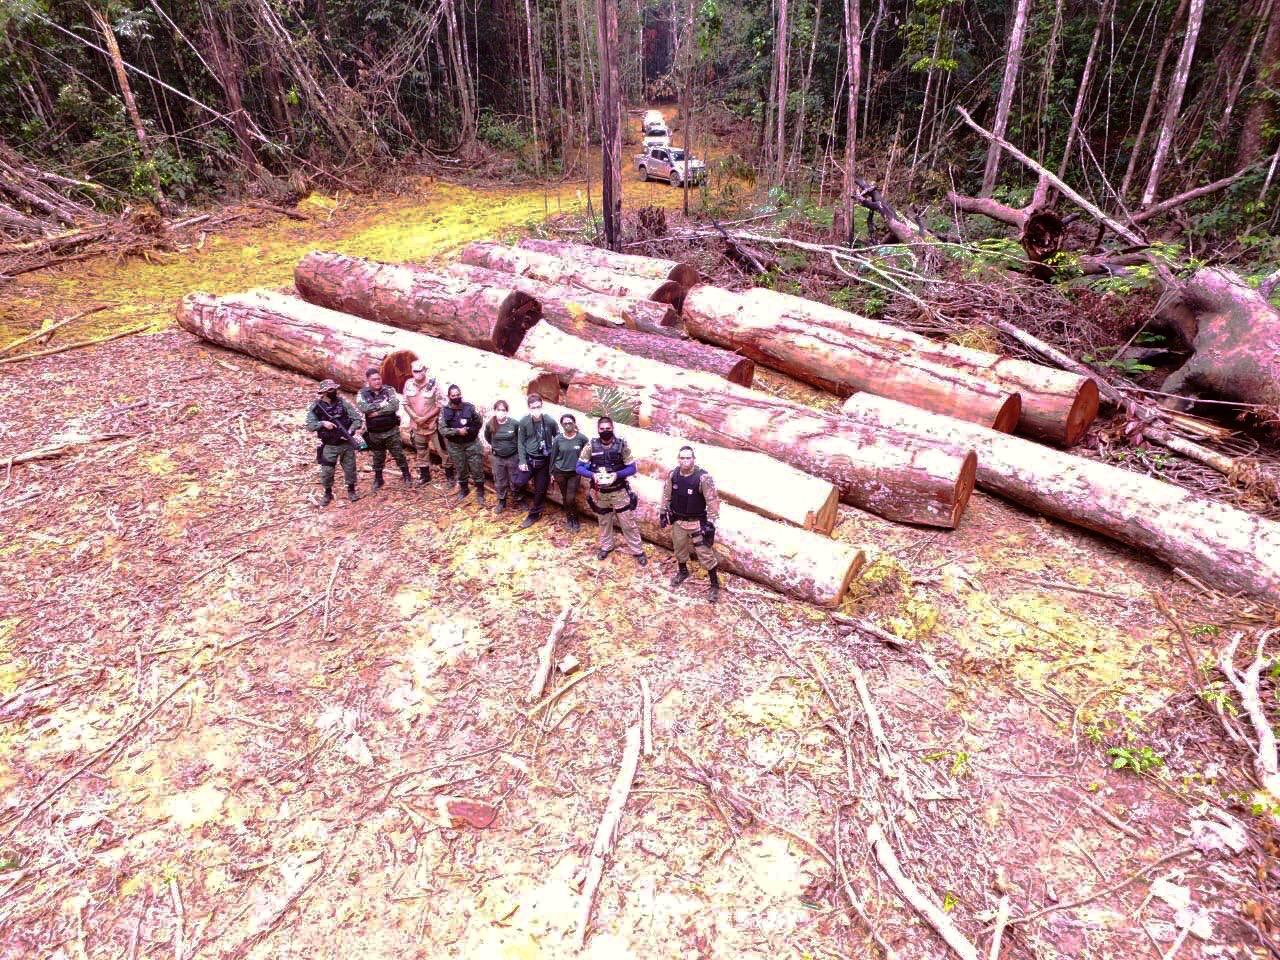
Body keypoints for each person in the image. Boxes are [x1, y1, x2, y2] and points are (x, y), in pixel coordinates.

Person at [576, 416, 646, 565]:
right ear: (598, 430)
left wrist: (617, 475)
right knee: (604, 521)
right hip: (600, 493)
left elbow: (632, 468)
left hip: (619, 491)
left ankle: (638, 550)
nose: (605, 431)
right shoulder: (591, 445)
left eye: (608, 429)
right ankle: (607, 546)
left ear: (612, 428)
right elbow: (579, 467)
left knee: (628, 523)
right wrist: (592, 475)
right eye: (602, 429)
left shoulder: (621, 445)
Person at [660, 445, 722, 603]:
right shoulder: (673, 474)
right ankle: (683, 572)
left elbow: (713, 501)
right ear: (678, 459)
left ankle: (714, 585)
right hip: (679, 521)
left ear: (693, 459)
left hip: (697, 523)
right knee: (679, 548)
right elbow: (666, 494)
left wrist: (711, 522)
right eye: (682, 458)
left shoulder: (703, 478)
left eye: (688, 458)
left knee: (705, 555)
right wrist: (662, 512)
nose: (685, 461)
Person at [305, 378, 364, 506]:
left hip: (346, 443)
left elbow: (357, 419)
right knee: (327, 471)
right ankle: (327, 492)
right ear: (324, 392)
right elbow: (309, 425)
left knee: (350, 468)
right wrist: (323, 423)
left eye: (335, 389)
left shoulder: (343, 403)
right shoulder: (316, 407)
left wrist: (350, 430)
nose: (334, 391)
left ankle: (351, 490)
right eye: (331, 389)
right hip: (329, 444)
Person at [357, 367, 411, 491]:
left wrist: (375, 412)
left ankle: (406, 475)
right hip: (375, 433)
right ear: (368, 381)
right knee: (378, 457)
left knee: (399, 454)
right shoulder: (362, 393)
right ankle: (378, 478)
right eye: (374, 380)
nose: (377, 381)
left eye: (378, 379)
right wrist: (382, 405)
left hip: (391, 431)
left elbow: (394, 406)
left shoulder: (389, 390)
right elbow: (364, 408)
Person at [401, 360, 449, 486]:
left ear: (425, 371)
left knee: (443, 451)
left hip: (433, 425)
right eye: (415, 371)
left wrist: (425, 418)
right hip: (417, 426)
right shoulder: (409, 384)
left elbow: (440, 405)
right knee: (421, 451)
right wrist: (415, 417)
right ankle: (425, 476)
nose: (417, 373)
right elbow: (405, 403)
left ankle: (450, 476)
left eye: (420, 370)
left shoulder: (434, 385)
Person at [515, 394, 559, 529]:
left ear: (542, 406)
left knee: (540, 490)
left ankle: (534, 514)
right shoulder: (524, 422)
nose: (536, 409)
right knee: (518, 481)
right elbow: (521, 442)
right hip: (529, 459)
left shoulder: (550, 421)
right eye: (533, 407)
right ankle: (520, 498)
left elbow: (557, 440)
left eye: (538, 407)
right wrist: (522, 460)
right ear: (529, 408)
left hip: (544, 461)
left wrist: (555, 462)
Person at [439, 384, 485, 504]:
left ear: (461, 395)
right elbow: (442, 430)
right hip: (455, 445)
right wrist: (457, 431)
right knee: (461, 469)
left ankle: (480, 491)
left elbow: (479, 422)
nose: (456, 397)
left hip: (472, 444)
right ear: (449, 396)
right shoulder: (445, 411)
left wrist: (471, 430)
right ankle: (464, 490)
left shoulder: (469, 407)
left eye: (458, 395)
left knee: (477, 468)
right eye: (453, 395)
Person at [551, 413, 588, 530]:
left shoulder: (581, 438)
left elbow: (588, 453)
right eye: (565, 423)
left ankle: (575, 519)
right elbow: (553, 456)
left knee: (570, 498)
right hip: (559, 471)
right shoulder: (558, 439)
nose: (567, 425)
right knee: (564, 496)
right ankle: (569, 518)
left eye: (570, 423)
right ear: (562, 425)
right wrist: (551, 473)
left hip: (574, 472)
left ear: (574, 423)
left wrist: (587, 466)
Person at [484, 400, 520, 512]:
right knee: (500, 480)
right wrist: (497, 447)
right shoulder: (490, 424)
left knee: (515, 479)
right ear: (495, 411)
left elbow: (519, 438)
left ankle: (517, 498)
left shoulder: (514, 423)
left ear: (507, 411)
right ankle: (502, 501)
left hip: (513, 456)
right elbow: (488, 438)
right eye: (498, 410)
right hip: (498, 458)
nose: (501, 412)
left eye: (503, 410)